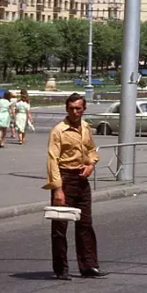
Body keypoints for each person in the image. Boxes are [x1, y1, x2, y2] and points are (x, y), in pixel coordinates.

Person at [44, 93, 104, 280]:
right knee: (60, 226)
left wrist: (91, 164)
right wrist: (58, 189)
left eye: (78, 108)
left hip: (81, 179)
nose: (75, 112)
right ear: (66, 109)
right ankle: (61, 269)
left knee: (85, 224)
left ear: (84, 109)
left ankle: (89, 266)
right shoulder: (58, 131)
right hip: (65, 178)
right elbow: (52, 160)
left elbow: (91, 150)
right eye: (71, 108)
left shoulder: (85, 127)